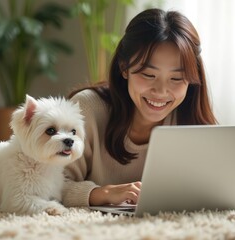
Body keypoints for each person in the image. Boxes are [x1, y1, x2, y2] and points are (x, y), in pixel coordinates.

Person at [62, 9, 217, 207]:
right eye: (148, 75)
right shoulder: (87, 109)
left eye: (176, 78)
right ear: (124, 67)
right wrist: (105, 193)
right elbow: (51, 186)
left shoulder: (190, 116)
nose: (161, 92)